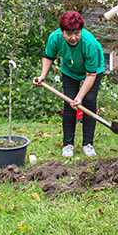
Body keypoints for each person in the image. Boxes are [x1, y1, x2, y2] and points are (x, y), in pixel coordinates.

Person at [33, 10, 104, 158]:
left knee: (89, 102)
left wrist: (80, 97)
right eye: (68, 34)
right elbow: (49, 56)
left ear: (81, 30)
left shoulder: (89, 43)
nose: (73, 38)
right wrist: (42, 76)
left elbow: (91, 75)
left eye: (77, 33)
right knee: (69, 103)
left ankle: (88, 144)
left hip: (92, 71)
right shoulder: (55, 38)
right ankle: (68, 145)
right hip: (70, 70)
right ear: (62, 31)